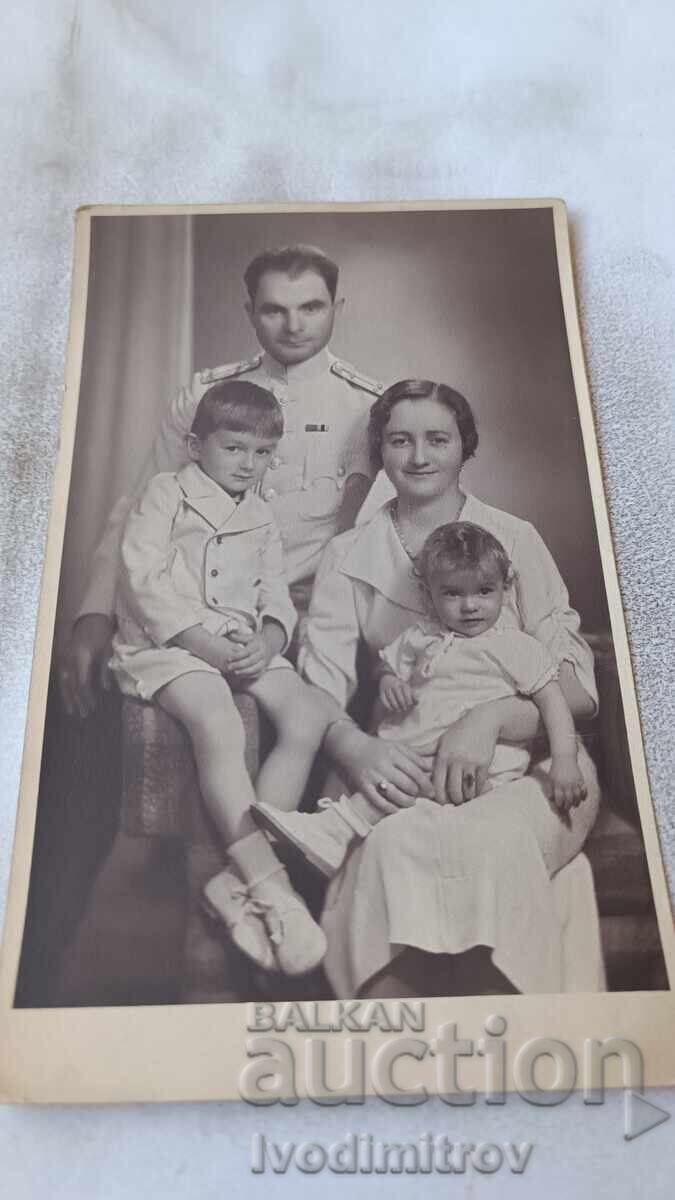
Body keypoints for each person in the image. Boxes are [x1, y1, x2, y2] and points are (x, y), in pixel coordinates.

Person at [295, 379, 601, 998]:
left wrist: (490, 718)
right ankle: (397, 1047)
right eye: (399, 440)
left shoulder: (516, 539)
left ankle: (513, 1042)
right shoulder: (349, 554)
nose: (418, 457)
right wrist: (355, 748)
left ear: (466, 447)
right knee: (394, 845)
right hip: (405, 765)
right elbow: (319, 691)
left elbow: (578, 694)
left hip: (533, 766)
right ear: (379, 451)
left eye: (438, 438)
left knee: (488, 843)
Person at [60, 243, 383, 717]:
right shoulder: (206, 395)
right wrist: (92, 617)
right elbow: (140, 510)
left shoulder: (370, 407)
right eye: (274, 309)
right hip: (201, 619)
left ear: (336, 308)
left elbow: (381, 542)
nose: (294, 326)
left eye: (311, 308)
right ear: (250, 312)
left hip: (319, 623)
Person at [110, 379, 332, 976]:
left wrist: (269, 639)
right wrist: (203, 643)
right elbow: (143, 579)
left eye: (262, 454)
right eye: (235, 449)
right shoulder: (165, 493)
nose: (249, 465)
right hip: (171, 645)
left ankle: (234, 882)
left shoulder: (260, 513)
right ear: (196, 442)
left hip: (239, 643)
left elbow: (276, 595)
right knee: (218, 717)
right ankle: (268, 881)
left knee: (309, 714)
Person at [254, 521, 587, 876]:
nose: (470, 606)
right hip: (414, 756)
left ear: (506, 589)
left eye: (484, 591)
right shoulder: (421, 637)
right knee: (391, 781)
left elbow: (553, 702)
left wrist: (565, 760)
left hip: (476, 768)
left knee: (398, 788)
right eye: (453, 594)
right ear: (429, 595)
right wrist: (389, 682)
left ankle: (337, 830)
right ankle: (335, 834)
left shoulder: (516, 647)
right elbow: (384, 668)